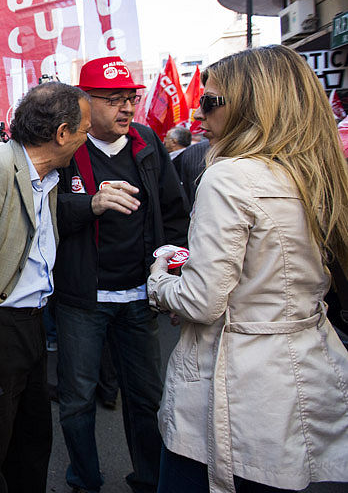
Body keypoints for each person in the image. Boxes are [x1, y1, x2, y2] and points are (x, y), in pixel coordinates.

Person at [148, 45, 348, 493]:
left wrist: (159, 280)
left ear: (251, 104)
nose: (199, 114)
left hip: (237, 385)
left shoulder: (230, 176)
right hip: (311, 371)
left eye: (210, 101)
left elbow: (202, 301)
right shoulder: (312, 170)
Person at [54, 55, 188, 493]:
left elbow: (173, 215)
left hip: (137, 298)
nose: (126, 108)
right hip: (81, 300)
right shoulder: (66, 147)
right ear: (85, 104)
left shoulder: (146, 144)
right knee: (76, 402)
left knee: (146, 399)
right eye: (113, 100)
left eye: (130, 98)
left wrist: (170, 273)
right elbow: (43, 213)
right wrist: (89, 204)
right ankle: (84, 480)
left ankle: (149, 478)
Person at [0, 82, 90, 493]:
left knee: (31, 444)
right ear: (63, 133)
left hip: (31, 324)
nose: (86, 140)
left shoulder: (46, 178)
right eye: (84, 130)